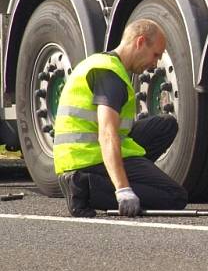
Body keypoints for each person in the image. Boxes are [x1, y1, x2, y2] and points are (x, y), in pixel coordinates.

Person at [54, 19, 188, 217]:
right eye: (155, 55)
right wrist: (123, 190)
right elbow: (107, 134)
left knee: (166, 125)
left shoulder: (104, 63)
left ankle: (118, 179)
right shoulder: (110, 76)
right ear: (140, 42)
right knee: (174, 196)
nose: (155, 63)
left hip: (88, 151)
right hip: (87, 158)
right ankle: (85, 186)